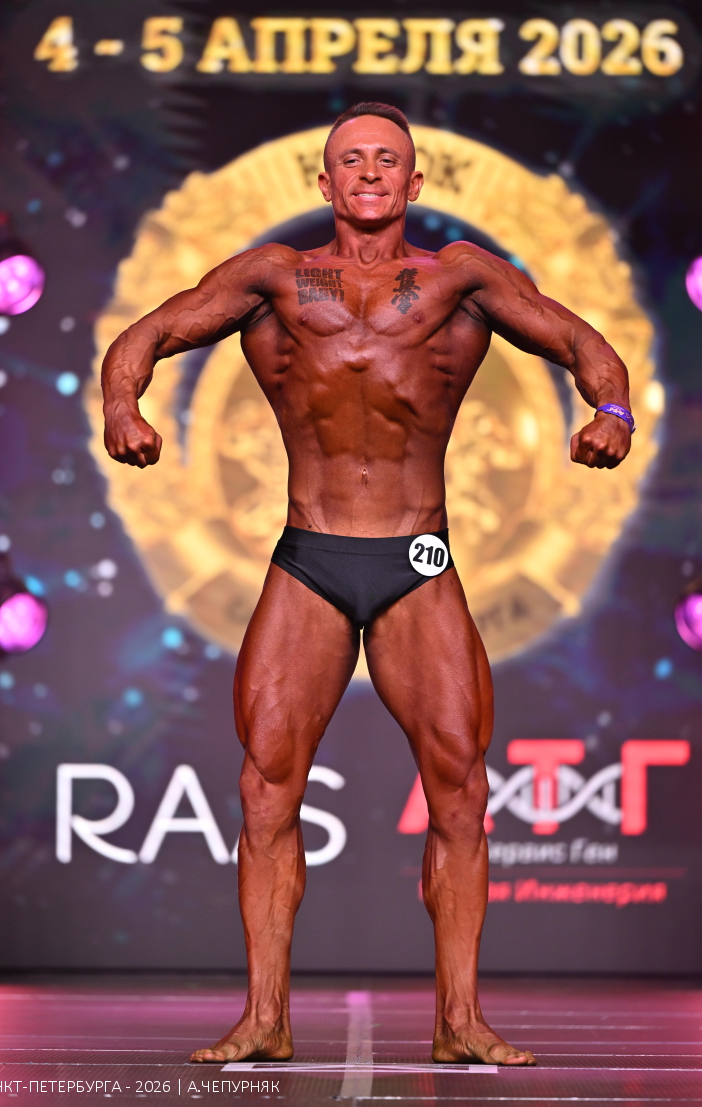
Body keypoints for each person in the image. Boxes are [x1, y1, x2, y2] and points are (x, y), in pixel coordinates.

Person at [101, 102, 633, 1067]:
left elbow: (582, 343)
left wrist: (613, 412)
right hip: (310, 555)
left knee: (461, 789)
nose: (372, 172)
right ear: (326, 182)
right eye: (353, 160)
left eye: (389, 159)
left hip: (415, 555)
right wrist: (121, 405)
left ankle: (459, 1021)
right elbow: (146, 335)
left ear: (414, 182)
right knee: (266, 788)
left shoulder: (462, 276)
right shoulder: (272, 277)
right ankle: (264, 1018)